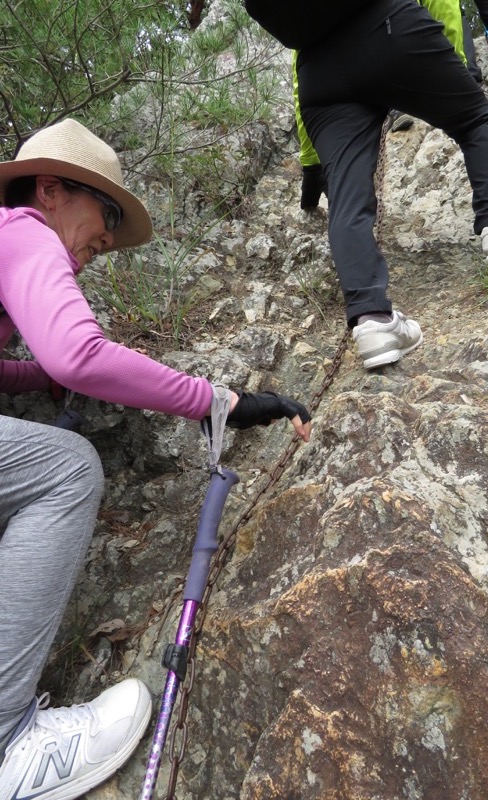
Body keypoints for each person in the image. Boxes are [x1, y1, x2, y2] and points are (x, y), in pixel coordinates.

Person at [0, 118, 311, 800]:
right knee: (67, 467)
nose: (101, 243)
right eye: (104, 215)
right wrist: (210, 400)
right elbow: (77, 352)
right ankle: (6, 744)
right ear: (50, 190)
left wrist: (36, 382)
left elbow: (40, 367)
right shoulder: (23, 230)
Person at [292, 0, 488, 369]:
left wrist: (311, 163)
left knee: (346, 194)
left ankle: (372, 323)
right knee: (476, 120)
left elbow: (297, 78)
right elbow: (444, 3)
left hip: (318, 71)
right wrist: (462, 67)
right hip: (391, 30)